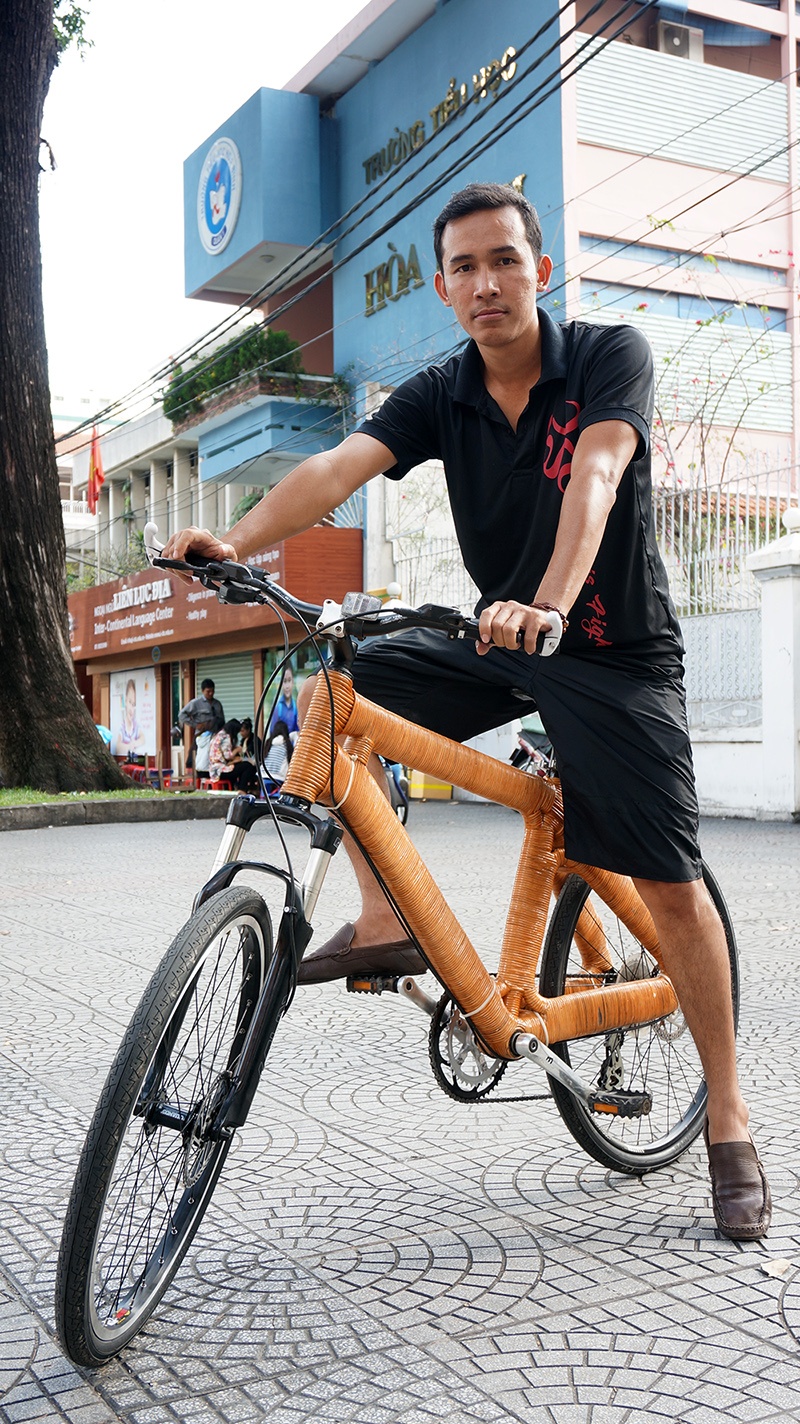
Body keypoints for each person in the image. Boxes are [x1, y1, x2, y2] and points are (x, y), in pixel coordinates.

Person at [163, 181, 770, 1240]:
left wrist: (549, 602)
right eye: (464, 268)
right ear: (445, 289)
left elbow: (596, 475)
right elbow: (336, 466)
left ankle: (727, 1116)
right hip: (497, 636)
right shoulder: (440, 392)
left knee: (669, 883)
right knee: (330, 694)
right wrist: (238, 543)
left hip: (609, 650)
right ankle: (386, 917)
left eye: (503, 260)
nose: (486, 283)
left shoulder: (607, 356)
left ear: (540, 271)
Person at [175, 679, 224, 770]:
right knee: (202, 760)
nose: (210, 693)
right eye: (208, 691)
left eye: (212, 691)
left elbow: (222, 720)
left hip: (215, 736)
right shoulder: (195, 703)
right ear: (202, 691)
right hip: (202, 736)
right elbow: (181, 715)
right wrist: (195, 724)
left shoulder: (217, 704)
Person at [208, 718, 258, 791]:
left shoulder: (219, 734)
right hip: (220, 770)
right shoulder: (226, 737)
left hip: (214, 769)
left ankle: (236, 788)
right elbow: (228, 756)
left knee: (240, 767)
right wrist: (237, 749)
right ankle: (242, 789)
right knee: (247, 766)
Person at [116, 678, 146, 755]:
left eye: (134, 704)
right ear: (125, 701)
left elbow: (143, 738)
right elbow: (117, 746)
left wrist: (135, 743)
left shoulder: (135, 726)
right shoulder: (122, 727)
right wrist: (129, 746)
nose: (131, 709)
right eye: (130, 702)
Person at [261, 718, 293, 787]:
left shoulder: (269, 742)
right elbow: (290, 761)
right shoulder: (287, 743)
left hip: (263, 774)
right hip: (279, 776)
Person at [269, 666, 299, 735]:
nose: (287, 686)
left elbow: (298, 730)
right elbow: (272, 731)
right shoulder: (278, 707)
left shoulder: (295, 706)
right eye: (284, 681)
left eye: (289, 680)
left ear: (293, 682)